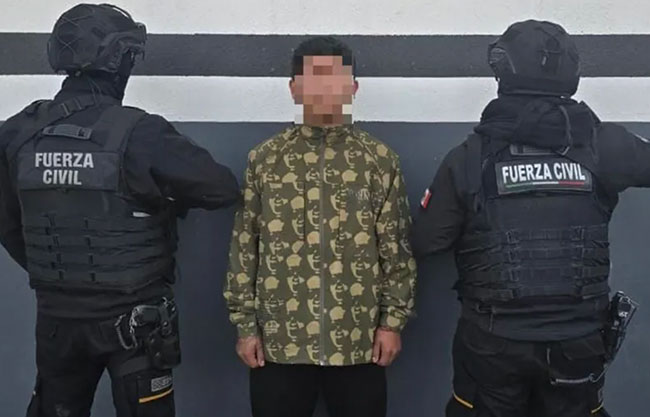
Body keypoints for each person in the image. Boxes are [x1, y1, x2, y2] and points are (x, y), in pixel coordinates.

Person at [0, 4, 240, 417]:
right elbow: (220, 188)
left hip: (57, 317)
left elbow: (8, 224)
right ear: (119, 60)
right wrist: (161, 198)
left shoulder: (17, 131)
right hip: (134, 320)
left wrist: (59, 271)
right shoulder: (139, 132)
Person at [412, 19, 650, 417]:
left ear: (503, 71)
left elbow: (426, 240)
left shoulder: (470, 156)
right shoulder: (605, 144)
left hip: (493, 345)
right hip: (579, 343)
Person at [224, 36, 417, 417]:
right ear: (294, 89)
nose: (325, 90)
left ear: (353, 88)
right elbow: (245, 247)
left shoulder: (378, 160)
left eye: (335, 79)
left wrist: (392, 323)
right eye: (313, 80)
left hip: (359, 340)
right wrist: (245, 326)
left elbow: (396, 248)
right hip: (280, 341)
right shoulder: (266, 159)